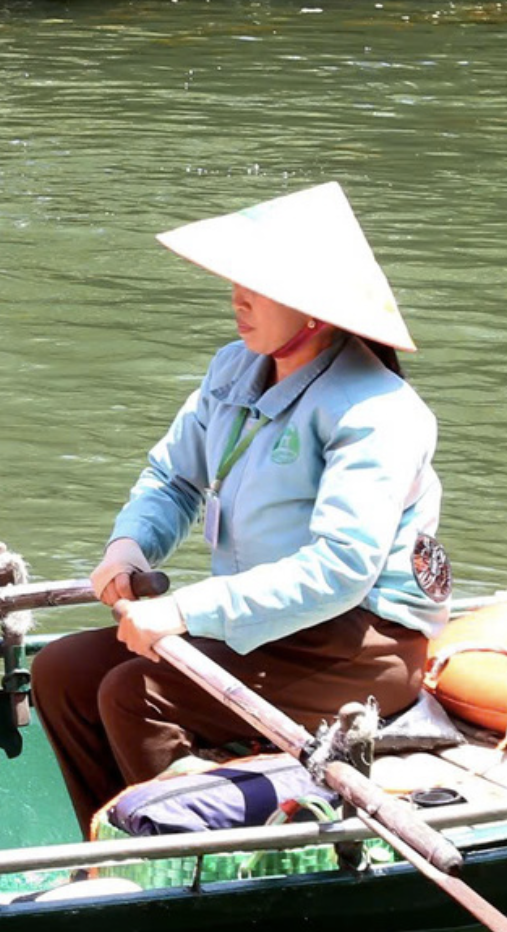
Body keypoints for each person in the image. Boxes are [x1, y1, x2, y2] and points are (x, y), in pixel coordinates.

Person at [31, 182, 447, 823]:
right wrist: (130, 545)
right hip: (264, 623)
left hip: (359, 644)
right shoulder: (233, 369)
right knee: (61, 670)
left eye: (259, 285)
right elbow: (173, 477)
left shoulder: (376, 412)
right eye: (236, 280)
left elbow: (339, 570)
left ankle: (189, 851)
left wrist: (183, 608)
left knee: (136, 694)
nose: (237, 297)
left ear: (315, 310)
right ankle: (114, 837)